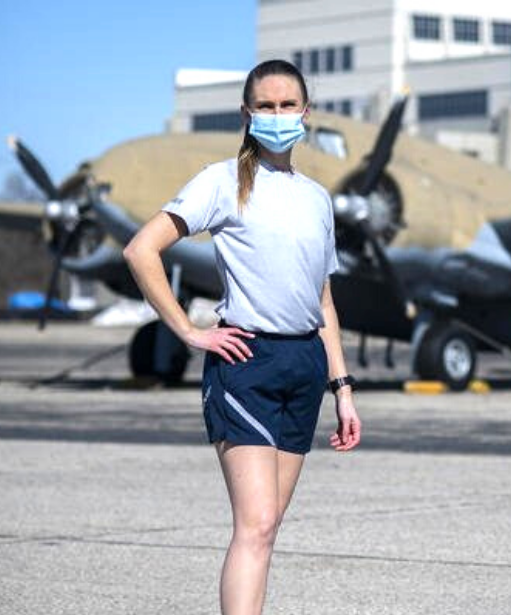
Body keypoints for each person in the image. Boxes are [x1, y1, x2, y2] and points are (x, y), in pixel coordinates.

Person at [123, 59, 361, 615]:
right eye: (265, 106)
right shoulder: (221, 181)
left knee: (269, 528)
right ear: (246, 114)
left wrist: (342, 388)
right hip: (246, 362)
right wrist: (187, 330)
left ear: (305, 112)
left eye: (287, 105)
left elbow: (322, 300)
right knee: (253, 526)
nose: (277, 115)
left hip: (305, 365)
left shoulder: (317, 199)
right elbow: (141, 249)